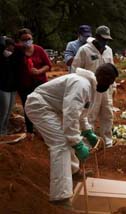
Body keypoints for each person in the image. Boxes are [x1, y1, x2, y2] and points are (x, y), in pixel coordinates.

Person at [24, 63, 118, 207]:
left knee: (66, 139)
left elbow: (80, 113)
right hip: (39, 106)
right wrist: (77, 143)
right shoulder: (81, 85)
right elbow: (71, 115)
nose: (109, 86)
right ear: (103, 76)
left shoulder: (89, 86)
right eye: (109, 82)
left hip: (52, 108)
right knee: (60, 143)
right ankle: (60, 197)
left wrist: (87, 132)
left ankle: (73, 172)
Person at [72, 25, 115, 148]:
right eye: (103, 39)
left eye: (107, 40)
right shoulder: (85, 50)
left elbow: (111, 68)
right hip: (90, 89)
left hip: (106, 88)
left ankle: (107, 142)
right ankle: (88, 143)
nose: (105, 42)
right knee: (89, 115)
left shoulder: (108, 50)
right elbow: (75, 69)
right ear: (96, 37)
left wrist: (114, 87)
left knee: (107, 114)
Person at [16, 28, 52, 139]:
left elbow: (48, 65)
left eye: (29, 39)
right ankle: (30, 131)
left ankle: (44, 130)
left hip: (40, 84)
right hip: (24, 85)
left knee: (42, 105)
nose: (27, 41)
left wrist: (39, 71)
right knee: (27, 107)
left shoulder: (38, 49)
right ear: (20, 41)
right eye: (24, 39)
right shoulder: (17, 51)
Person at [0, 36, 17, 135]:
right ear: (7, 46)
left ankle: (4, 131)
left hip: (13, 88)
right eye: (11, 45)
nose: (13, 47)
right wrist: (3, 37)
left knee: (9, 111)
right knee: (3, 111)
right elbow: (1, 43)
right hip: (3, 87)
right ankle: (1, 132)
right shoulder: (1, 56)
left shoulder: (14, 56)